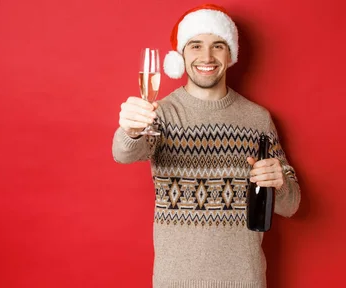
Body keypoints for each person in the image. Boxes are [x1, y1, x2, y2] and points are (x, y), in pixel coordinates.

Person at [112, 3, 300, 288]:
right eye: (196, 45)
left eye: (218, 45)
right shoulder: (160, 114)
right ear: (181, 56)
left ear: (231, 54)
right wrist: (130, 129)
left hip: (244, 280)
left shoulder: (258, 119)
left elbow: (292, 205)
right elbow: (123, 153)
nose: (207, 56)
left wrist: (280, 184)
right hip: (175, 281)